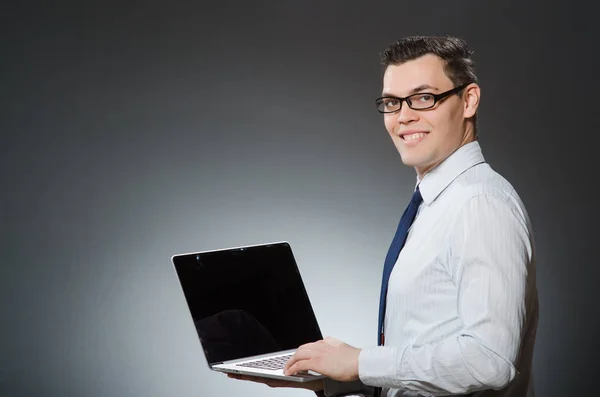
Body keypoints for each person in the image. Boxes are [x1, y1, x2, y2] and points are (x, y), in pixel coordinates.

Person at [229, 35, 539, 397]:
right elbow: (428, 354)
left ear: (468, 100)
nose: (404, 116)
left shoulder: (479, 203)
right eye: (393, 102)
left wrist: (361, 362)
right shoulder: (436, 203)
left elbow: (489, 361)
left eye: (424, 98)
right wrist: (335, 373)